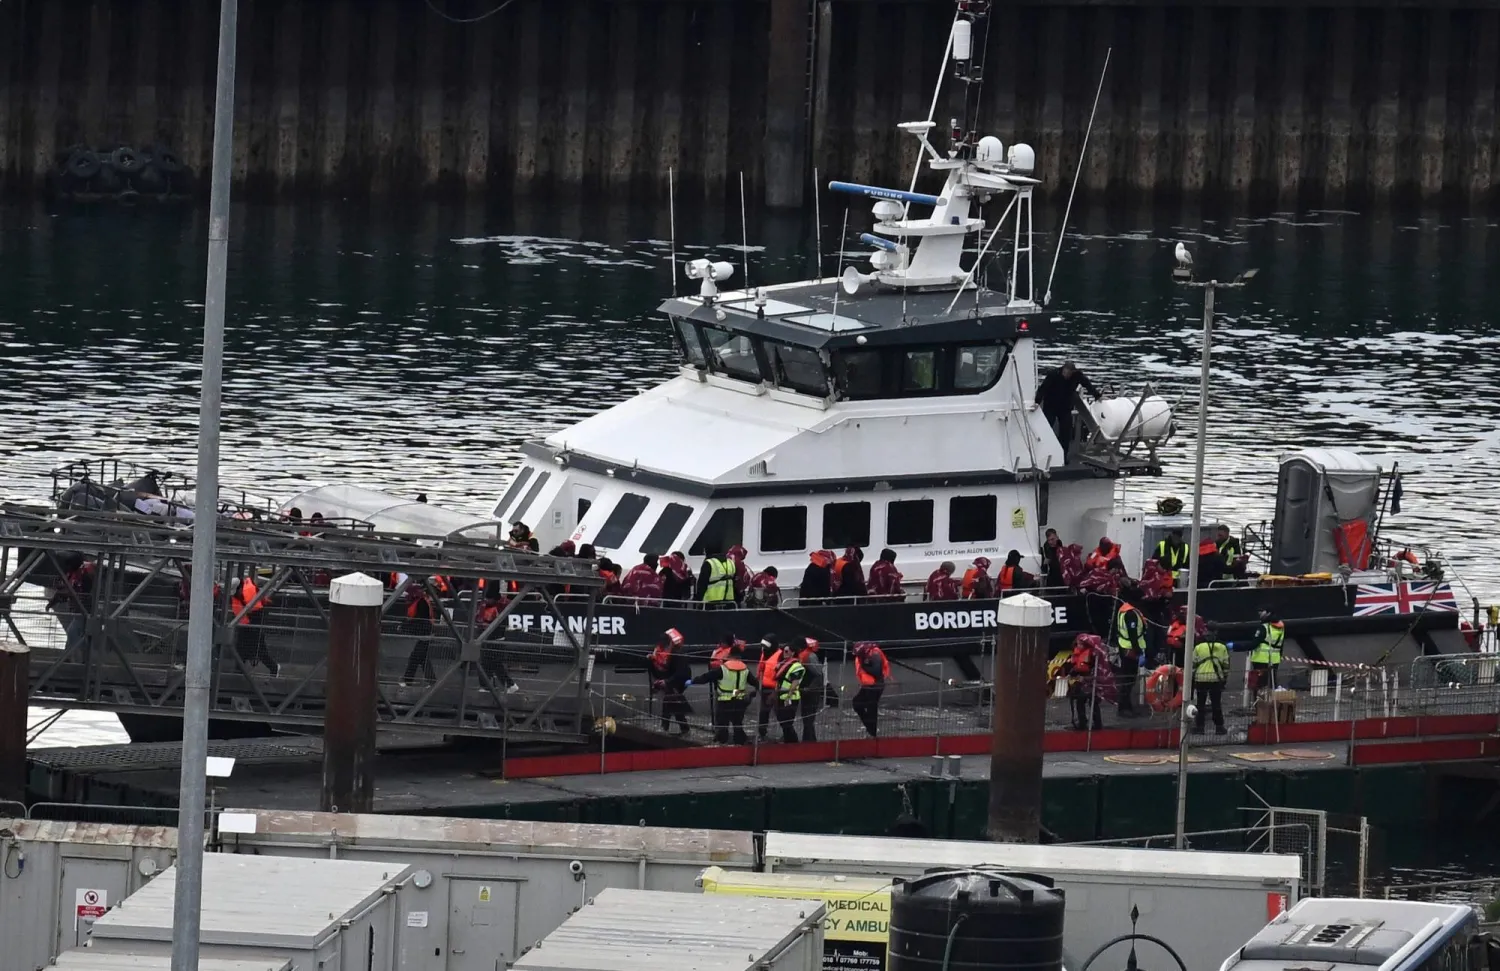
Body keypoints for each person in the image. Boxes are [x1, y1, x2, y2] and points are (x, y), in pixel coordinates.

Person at [688, 639, 751, 744]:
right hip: (739, 696)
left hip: (725, 698)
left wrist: (693, 681)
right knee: (737, 722)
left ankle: (722, 742)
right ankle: (740, 742)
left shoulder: (723, 669)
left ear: (730, 655)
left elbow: (707, 677)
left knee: (722, 722)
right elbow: (753, 681)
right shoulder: (744, 668)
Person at [1035, 361, 1100, 459]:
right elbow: (1043, 388)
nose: (1067, 376)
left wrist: (1098, 396)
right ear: (1063, 370)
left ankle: (1063, 455)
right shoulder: (1054, 374)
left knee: (1066, 431)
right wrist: (1037, 402)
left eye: (1069, 374)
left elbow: (1087, 384)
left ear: (1073, 372)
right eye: (1066, 373)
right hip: (1050, 405)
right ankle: (1042, 453)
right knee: (1047, 429)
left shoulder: (1077, 376)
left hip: (1065, 407)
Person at [1058, 634, 1114, 730]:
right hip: (1081, 682)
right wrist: (1070, 675)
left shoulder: (1093, 655)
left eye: (1081, 644)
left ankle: (1097, 724)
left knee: (1093, 703)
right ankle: (1082, 723)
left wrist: (1088, 679)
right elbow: (1075, 667)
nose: (1078, 646)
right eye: (1078, 644)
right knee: (1080, 702)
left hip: (1092, 683)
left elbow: (1096, 670)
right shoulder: (1078, 653)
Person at [231, 574, 279, 676]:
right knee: (241, 648)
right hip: (248, 623)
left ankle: (274, 667)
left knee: (259, 649)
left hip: (255, 622)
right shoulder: (241, 595)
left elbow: (256, 611)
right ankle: (238, 671)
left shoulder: (248, 592)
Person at [649, 629, 693, 735]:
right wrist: (651, 661)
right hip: (671, 679)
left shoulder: (677, 654)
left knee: (670, 700)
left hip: (681, 680)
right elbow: (663, 670)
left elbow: (681, 673)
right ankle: (683, 728)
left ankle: (666, 727)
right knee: (671, 702)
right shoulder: (663, 652)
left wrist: (668, 682)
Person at [1191, 627, 1231, 735]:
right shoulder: (1222, 647)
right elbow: (1226, 664)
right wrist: (1224, 678)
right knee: (1216, 704)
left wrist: (1193, 677)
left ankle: (1199, 728)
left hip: (1201, 678)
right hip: (1216, 679)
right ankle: (1219, 727)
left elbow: (1193, 664)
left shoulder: (1198, 647)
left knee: (1200, 704)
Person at [1114, 597, 1148, 716]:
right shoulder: (1131, 614)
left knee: (1126, 679)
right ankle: (1124, 708)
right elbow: (1133, 634)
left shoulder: (1122, 610)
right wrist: (1139, 652)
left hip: (1124, 646)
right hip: (1131, 650)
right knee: (1128, 680)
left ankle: (1126, 706)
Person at [400, 581, 438, 685]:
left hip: (425, 634)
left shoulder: (421, 603)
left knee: (415, 658)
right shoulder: (422, 601)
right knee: (422, 659)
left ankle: (407, 681)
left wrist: (405, 626)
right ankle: (432, 682)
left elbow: (419, 619)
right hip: (426, 634)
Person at [851, 641, 890, 737]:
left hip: (875, 686)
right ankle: (870, 728)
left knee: (871, 708)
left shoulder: (874, 654)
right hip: (867, 685)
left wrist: (864, 665)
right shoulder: (862, 657)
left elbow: (877, 671)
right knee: (857, 703)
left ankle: (872, 732)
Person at [1247, 607, 1284, 698]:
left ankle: (1259, 707)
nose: (1259, 613)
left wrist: (1235, 646)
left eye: (1261, 611)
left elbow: (1254, 644)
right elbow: (1281, 644)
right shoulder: (1280, 627)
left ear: (1268, 613)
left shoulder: (1263, 627)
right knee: (1271, 684)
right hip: (1274, 660)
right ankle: (1270, 706)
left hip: (1261, 660)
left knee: (1259, 685)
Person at [793, 637, 823, 742]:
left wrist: (810, 688)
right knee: (806, 718)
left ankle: (809, 741)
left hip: (811, 691)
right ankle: (809, 740)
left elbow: (819, 674)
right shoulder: (805, 655)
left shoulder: (809, 656)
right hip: (806, 691)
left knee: (808, 718)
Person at [756, 636, 785, 740]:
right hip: (764, 687)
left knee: (779, 712)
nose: (763, 649)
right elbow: (761, 667)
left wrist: (777, 690)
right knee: (763, 712)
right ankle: (762, 733)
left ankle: (786, 732)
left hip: (775, 688)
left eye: (766, 646)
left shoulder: (780, 655)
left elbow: (781, 674)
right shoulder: (765, 654)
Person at [775, 651, 807, 743]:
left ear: (793, 653)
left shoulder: (797, 666)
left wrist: (788, 696)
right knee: (782, 720)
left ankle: (793, 741)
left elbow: (795, 682)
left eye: (786, 651)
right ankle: (788, 740)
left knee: (787, 722)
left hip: (791, 697)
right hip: (781, 695)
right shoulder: (784, 664)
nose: (784, 653)